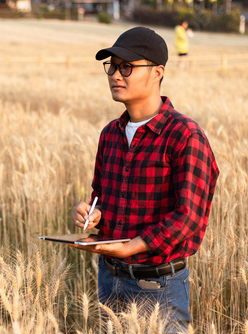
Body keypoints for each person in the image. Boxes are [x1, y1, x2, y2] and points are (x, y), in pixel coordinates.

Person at [70, 27, 219, 333]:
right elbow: (102, 198)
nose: (115, 74)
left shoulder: (184, 135)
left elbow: (188, 217)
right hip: (109, 279)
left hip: (158, 286)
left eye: (127, 66)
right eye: (111, 66)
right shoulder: (110, 134)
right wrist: (91, 213)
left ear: (157, 72)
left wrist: (134, 246)